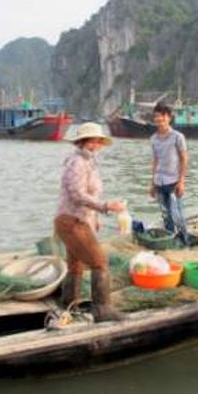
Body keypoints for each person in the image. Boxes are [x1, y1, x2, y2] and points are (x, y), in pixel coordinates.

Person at [54, 122, 126, 321]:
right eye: (94, 140)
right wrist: (106, 206)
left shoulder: (89, 161)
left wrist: (95, 217)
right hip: (71, 222)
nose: (98, 144)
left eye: (99, 140)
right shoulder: (77, 161)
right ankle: (102, 310)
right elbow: (77, 194)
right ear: (84, 142)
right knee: (99, 262)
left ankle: (69, 305)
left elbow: (88, 193)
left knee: (75, 265)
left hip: (78, 221)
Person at [149, 103, 189, 244]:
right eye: (156, 116)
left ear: (169, 117)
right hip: (159, 181)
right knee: (166, 216)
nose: (159, 119)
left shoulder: (178, 137)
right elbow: (155, 160)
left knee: (177, 215)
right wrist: (152, 183)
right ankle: (170, 242)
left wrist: (182, 181)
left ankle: (185, 243)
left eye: (162, 116)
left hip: (174, 182)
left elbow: (184, 158)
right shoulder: (153, 139)